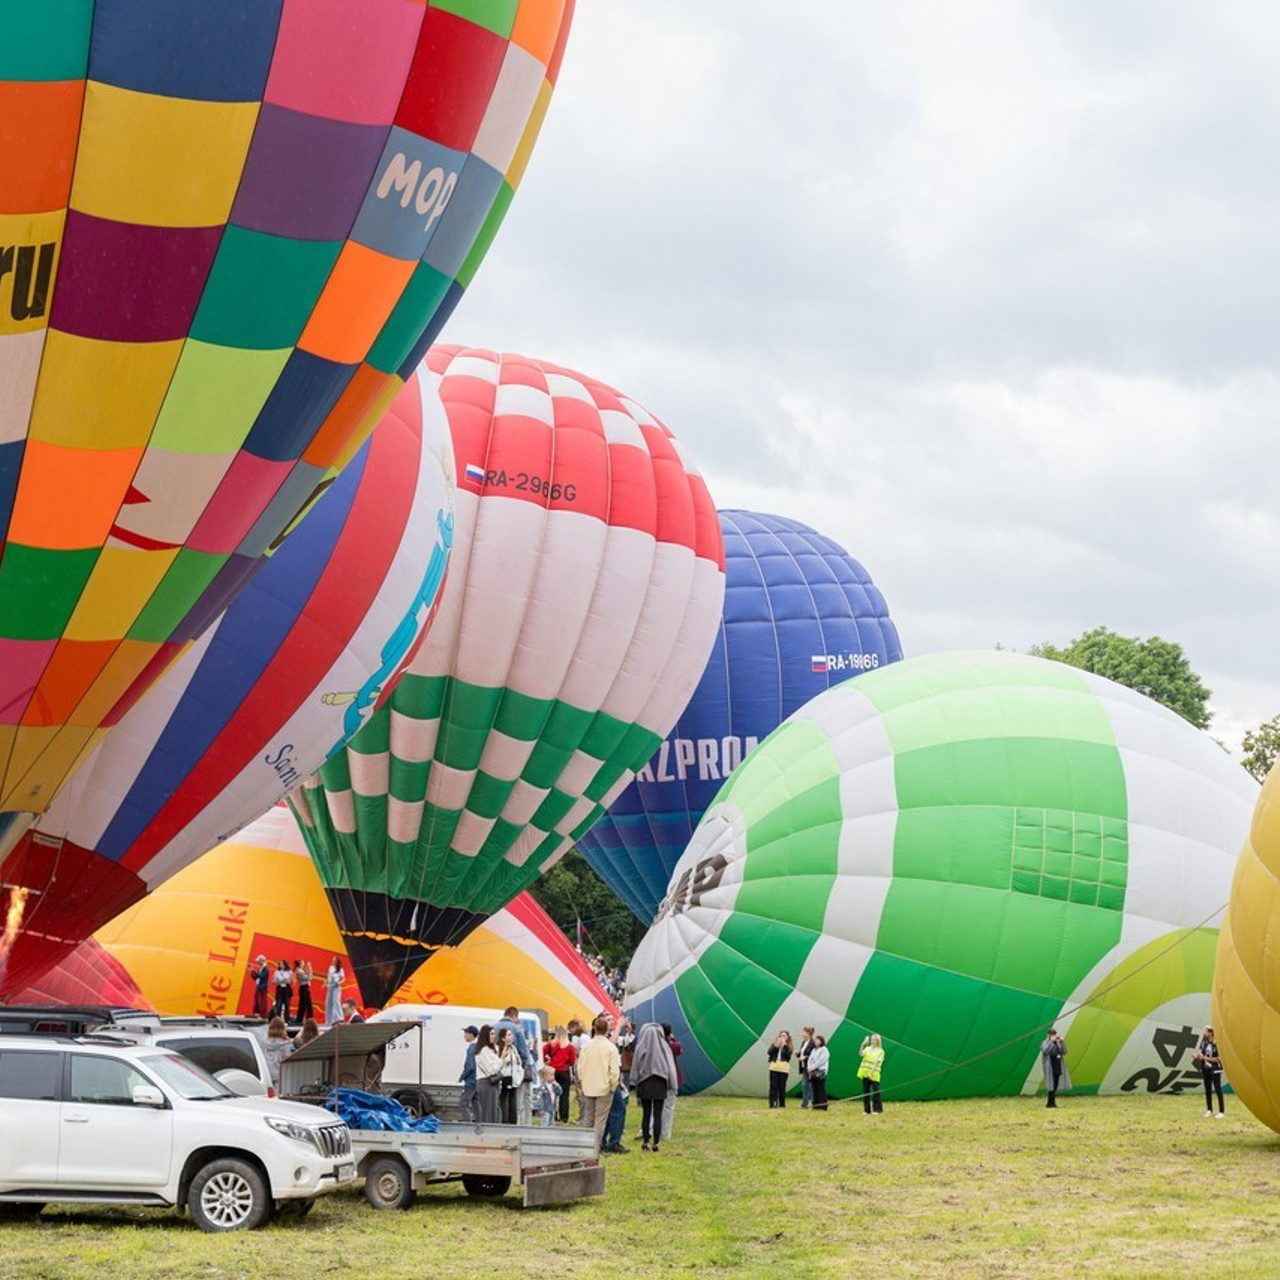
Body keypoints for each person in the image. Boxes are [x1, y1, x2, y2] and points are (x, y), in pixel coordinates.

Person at [631, 1022, 679, 1152]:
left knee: (646, 1114)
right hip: (660, 1082)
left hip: (644, 1082)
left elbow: (635, 1065)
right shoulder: (665, 1047)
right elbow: (671, 1068)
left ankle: (646, 1141)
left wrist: (633, 1081)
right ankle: (656, 1143)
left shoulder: (640, 1047)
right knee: (658, 1114)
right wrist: (674, 1085)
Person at [578, 1015, 621, 1150]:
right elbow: (614, 1071)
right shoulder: (610, 1048)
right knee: (600, 1119)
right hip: (604, 1088)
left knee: (589, 1118)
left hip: (589, 1086)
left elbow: (579, 1068)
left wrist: (582, 1082)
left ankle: (586, 1144)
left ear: (595, 1028)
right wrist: (613, 1086)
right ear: (607, 1028)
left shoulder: (586, 1047)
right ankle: (595, 1146)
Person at [494, 1006, 535, 1124]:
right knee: (512, 1098)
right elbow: (523, 1050)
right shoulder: (515, 1029)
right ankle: (510, 1122)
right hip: (511, 1070)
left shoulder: (494, 1027)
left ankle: (501, 1120)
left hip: (497, 1069)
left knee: (501, 1097)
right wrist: (522, 1066)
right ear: (514, 1016)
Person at [543, 1025, 577, 1124]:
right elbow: (572, 1060)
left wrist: (547, 1061)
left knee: (551, 1094)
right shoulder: (569, 1046)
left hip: (552, 1071)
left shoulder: (550, 1044)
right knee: (564, 1095)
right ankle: (564, 1117)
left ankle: (553, 1114)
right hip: (564, 1071)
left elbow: (543, 1052)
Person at [1193, 1024, 1225, 1118]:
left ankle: (1221, 1111)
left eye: (1206, 1031)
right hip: (1205, 1069)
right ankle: (1209, 1110)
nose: (1205, 1033)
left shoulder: (1217, 1043)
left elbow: (1218, 1059)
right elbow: (1202, 1055)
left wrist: (1205, 1058)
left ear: (1211, 1032)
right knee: (1207, 1090)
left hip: (1215, 1070)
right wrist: (1198, 1057)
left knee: (1218, 1090)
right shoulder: (1204, 1042)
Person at [473, 1025, 503, 1124]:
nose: (494, 1036)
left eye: (494, 1034)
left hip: (492, 1084)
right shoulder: (484, 1051)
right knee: (488, 1113)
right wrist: (502, 1058)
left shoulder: (490, 1050)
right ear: (485, 1035)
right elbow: (492, 1070)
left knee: (494, 1111)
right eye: (491, 1034)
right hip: (486, 1083)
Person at [498, 1027, 524, 1124]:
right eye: (508, 1035)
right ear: (503, 1038)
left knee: (513, 1099)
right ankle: (504, 1120)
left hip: (514, 1078)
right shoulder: (501, 1049)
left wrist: (519, 1074)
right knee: (504, 1098)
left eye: (511, 1034)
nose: (511, 1036)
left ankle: (513, 1120)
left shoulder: (513, 1048)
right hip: (505, 1077)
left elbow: (518, 1062)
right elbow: (500, 1062)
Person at [662, 1022, 683, 1140]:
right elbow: (679, 1049)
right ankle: (665, 1135)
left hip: (659, 1079)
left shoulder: (656, 1045)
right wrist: (673, 1038)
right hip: (671, 1080)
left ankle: (652, 1131)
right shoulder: (673, 1045)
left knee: (657, 1107)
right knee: (668, 1107)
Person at [262, 1015, 293, 1092]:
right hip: (279, 1075)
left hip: (266, 1074)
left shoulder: (264, 1042)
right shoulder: (285, 1044)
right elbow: (287, 1060)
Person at [1040, 1029, 1069, 1108]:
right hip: (1050, 1066)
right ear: (1048, 1035)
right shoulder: (1044, 1043)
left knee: (1055, 1084)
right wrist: (1051, 1042)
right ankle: (1050, 1102)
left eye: (1054, 1034)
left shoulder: (1058, 1042)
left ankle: (1052, 1102)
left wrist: (1062, 1042)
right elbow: (1046, 1050)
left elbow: (1065, 1051)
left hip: (1057, 1065)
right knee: (1051, 1084)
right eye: (1051, 1034)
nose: (1053, 1035)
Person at [858, 1033, 885, 1115]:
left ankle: (877, 1109)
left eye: (874, 1040)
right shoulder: (867, 1048)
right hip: (865, 1072)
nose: (872, 1041)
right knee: (866, 1092)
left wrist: (871, 1073)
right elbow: (860, 1054)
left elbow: (877, 1062)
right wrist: (862, 1044)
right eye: (872, 1039)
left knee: (876, 1091)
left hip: (874, 1074)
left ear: (878, 1041)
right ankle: (867, 1110)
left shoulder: (881, 1051)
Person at [767, 1030, 794, 1108]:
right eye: (781, 1035)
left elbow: (788, 1055)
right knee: (773, 1086)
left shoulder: (789, 1046)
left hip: (783, 1069)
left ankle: (782, 1103)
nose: (782, 1037)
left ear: (787, 1037)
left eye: (784, 1035)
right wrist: (776, 1047)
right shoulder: (775, 1044)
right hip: (774, 1068)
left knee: (781, 1087)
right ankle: (772, 1103)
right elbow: (769, 1052)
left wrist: (784, 1046)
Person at [458, 1025, 479, 1122]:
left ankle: (468, 1125)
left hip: (470, 1081)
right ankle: (479, 1124)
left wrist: (462, 1076)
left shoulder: (471, 1048)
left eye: (466, 1033)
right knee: (476, 1103)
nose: (464, 1036)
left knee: (463, 1103)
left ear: (471, 1034)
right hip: (477, 1080)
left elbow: (470, 1066)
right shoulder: (478, 1046)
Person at [808, 1034, 830, 1111]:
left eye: (818, 1040)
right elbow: (810, 1059)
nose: (816, 1041)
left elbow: (821, 1061)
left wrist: (812, 1067)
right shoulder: (813, 1050)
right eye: (815, 1040)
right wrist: (809, 1067)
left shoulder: (824, 1050)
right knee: (815, 1089)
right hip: (813, 1071)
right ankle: (816, 1105)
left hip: (820, 1071)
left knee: (821, 1089)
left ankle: (823, 1105)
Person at [797, 1026, 816, 1110]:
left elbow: (814, 1055)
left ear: (808, 1033)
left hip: (810, 1067)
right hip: (804, 1067)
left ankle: (812, 1102)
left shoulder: (812, 1043)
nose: (802, 1033)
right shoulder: (803, 1042)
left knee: (810, 1085)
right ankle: (805, 1103)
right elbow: (802, 1053)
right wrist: (798, 1054)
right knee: (805, 1085)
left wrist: (805, 1057)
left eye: (804, 1032)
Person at [248, 954, 272, 1020]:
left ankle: (263, 1015)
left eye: (258, 961)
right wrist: (251, 972)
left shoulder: (266, 969)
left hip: (263, 988)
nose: (258, 963)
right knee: (257, 1001)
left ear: (262, 961)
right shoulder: (260, 969)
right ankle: (257, 1013)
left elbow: (260, 976)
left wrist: (253, 971)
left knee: (262, 1002)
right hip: (258, 987)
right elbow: (255, 978)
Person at [324, 957, 345, 1026]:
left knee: (335, 1001)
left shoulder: (340, 969)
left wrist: (339, 982)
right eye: (332, 960)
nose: (333, 961)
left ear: (337, 961)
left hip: (336, 987)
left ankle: (340, 1018)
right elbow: (328, 977)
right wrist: (325, 984)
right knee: (328, 1003)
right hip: (330, 986)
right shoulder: (331, 968)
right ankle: (329, 1021)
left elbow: (343, 978)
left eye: (334, 960)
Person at [294, 959, 314, 1023]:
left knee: (308, 1004)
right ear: (300, 964)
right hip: (303, 988)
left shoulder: (301, 971)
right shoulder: (299, 971)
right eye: (302, 963)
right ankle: (300, 1019)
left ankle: (309, 1018)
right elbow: (308, 978)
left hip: (305, 988)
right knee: (303, 1005)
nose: (303, 964)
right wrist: (310, 970)